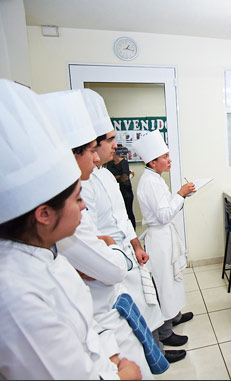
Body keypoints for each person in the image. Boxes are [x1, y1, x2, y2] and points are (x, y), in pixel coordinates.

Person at [0, 79, 140, 379]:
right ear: (44, 214)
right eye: (77, 199)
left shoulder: (47, 253)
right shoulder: (14, 295)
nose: (84, 207)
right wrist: (126, 375)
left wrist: (110, 356)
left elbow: (82, 321)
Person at [40, 89, 162, 377]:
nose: (99, 156)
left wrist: (128, 244)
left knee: (143, 323)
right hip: (106, 289)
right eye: (97, 146)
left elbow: (121, 217)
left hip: (118, 266)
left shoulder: (105, 176)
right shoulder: (71, 200)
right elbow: (106, 264)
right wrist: (113, 251)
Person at [80, 90, 186, 364]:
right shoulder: (84, 184)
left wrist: (135, 244)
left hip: (130, 250)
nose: (115, 146)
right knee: (144, 304)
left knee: (148, 303)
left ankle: (157, 348)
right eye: (111, 140)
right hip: (111, 259)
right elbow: (92, 234)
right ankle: (155, 351)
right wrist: (182, 195)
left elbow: (123, 217)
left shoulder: (104, 175)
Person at [134, 130, 195, 349]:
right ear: (152, 161)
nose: (169, 160)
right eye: (165, 157)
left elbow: (165, 208)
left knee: (172, 281)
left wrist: (181, 196)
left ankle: (174, 316)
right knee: (165, 285)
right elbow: (163, 215)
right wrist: (180, 193)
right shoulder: (150, 182)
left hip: (165, 236)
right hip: (159, 240)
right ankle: (166, 332)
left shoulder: (154, 179)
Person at [107, 144, 136, 229]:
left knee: (128, 212)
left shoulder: (124, 162)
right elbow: (109, 176)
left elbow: (125, 178)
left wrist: (115, 177)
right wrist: (117, 177)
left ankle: (132, 231)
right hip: (115, 192)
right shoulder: (110, 163)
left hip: (125, 192)